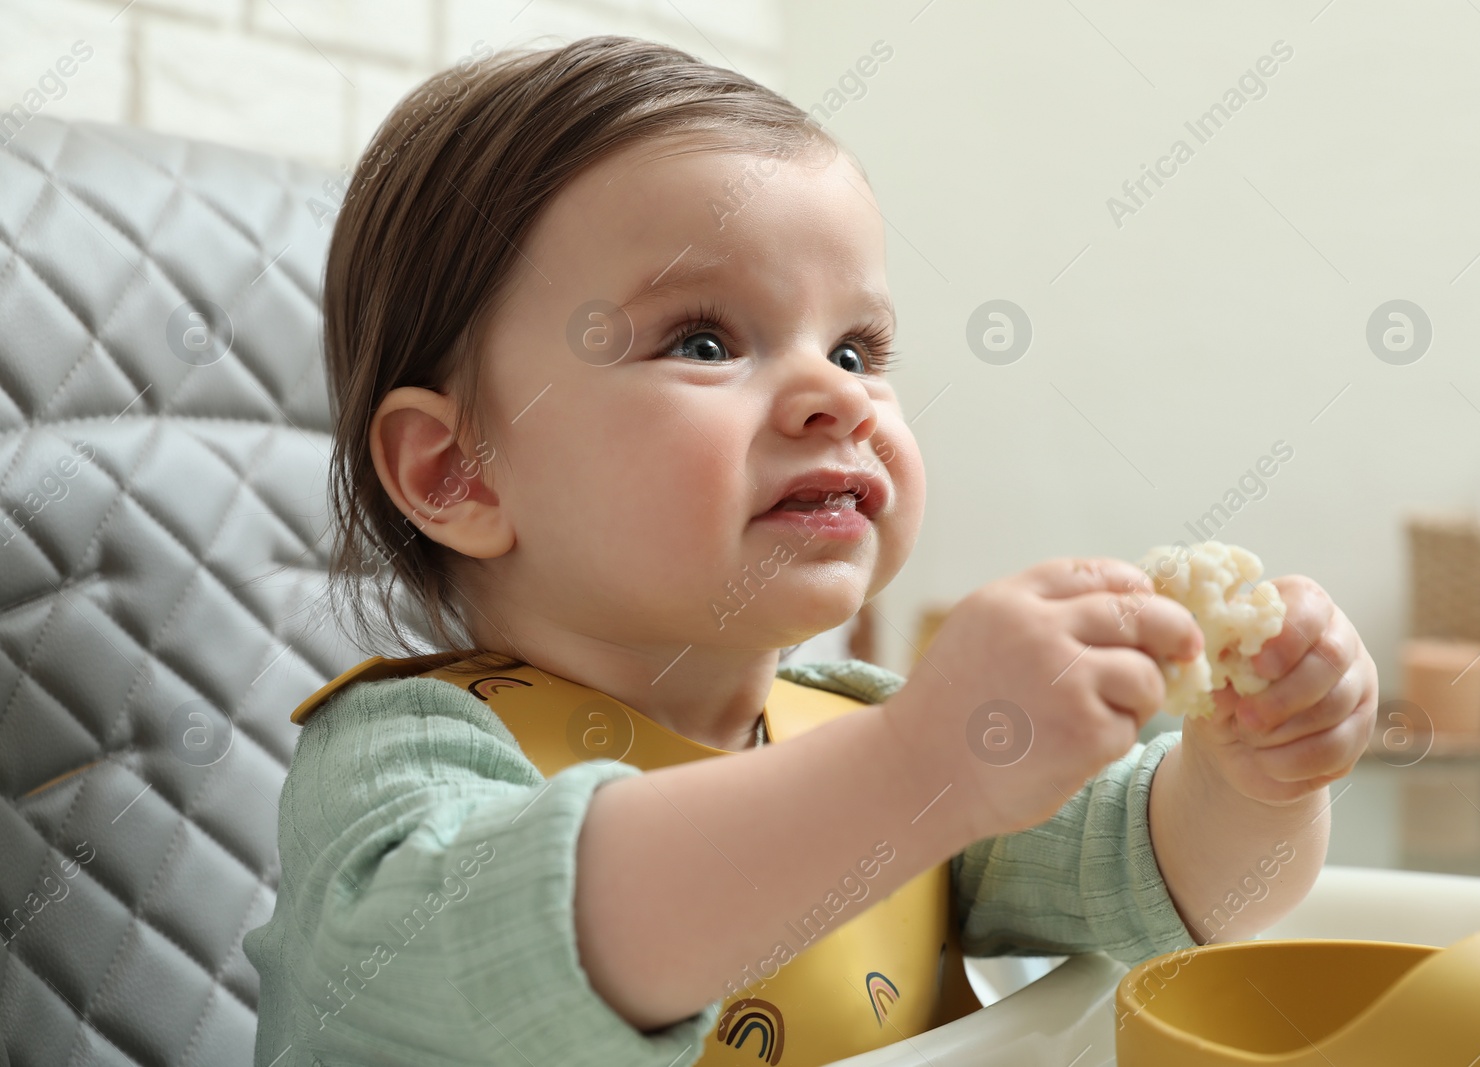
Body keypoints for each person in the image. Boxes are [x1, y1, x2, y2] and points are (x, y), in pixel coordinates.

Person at [242, 35, 1379, 1066]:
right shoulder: (405, 758)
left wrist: (1256, 776)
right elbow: (508, 951)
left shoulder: (864, 719)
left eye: (855, 344)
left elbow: (1178, 892)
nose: (834, 397)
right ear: (461, 470)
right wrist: (917, 765)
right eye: (703, 338)